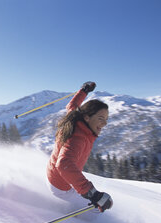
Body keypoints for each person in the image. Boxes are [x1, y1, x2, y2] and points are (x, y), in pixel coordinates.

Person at [47, 81, 113, 213]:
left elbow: (72, 105)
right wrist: (93, 194)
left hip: (56, 176)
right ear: (87, 117)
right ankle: (76, 222)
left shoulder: (75, 117)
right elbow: (64, 164)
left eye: (106, 119)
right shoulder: (78, 137)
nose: (104, 123)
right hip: (62, 186)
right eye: (100, 118)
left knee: (100, 204)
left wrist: (84, 91)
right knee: (97, 211)